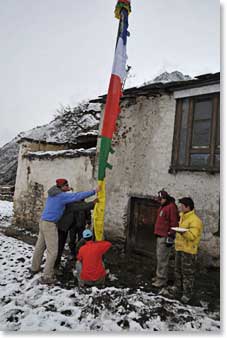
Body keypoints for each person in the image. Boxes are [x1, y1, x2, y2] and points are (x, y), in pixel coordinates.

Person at [31, 178, 100, 284]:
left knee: (40, 247)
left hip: (43, 221)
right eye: (66, 186)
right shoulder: (61, 197)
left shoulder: (53, 193)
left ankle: (34, 268)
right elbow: (77, 197)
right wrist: (94, 191)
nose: (68, 187)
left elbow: (76, 204)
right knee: (53, 251)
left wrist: (90, 203)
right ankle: (47, 276)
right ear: (62, 187)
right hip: (50, 224)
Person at [165, 197, 203, 304]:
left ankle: (187, 293)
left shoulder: (195, 220)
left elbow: (192, 236)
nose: (180, 207)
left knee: (187, 273)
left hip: (188, 251)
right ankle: (177, 288)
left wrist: (182, 232)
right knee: (177, 270)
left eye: (182, 206)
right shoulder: (182, 216)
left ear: (188, 207)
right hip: (179, 248)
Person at [54, 198, 97, 270]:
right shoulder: (73, 205)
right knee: (72, 240)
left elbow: (88, 214)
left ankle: (79, 254)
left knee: (80, 240)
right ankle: (72, 253)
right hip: (73, 226)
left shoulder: (85, 205)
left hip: (81, 226)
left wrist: (89, 221)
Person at [152, 189, 179, 288]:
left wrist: (171, 235)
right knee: (159, 258)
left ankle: (161, 279)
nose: (159, 201)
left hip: (165, 236)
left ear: (165, 198)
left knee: (163, 259)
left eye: (160, 200)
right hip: (160, 235)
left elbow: (174, 222)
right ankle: (159, 276)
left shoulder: (171, 207)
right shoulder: (163, 206)